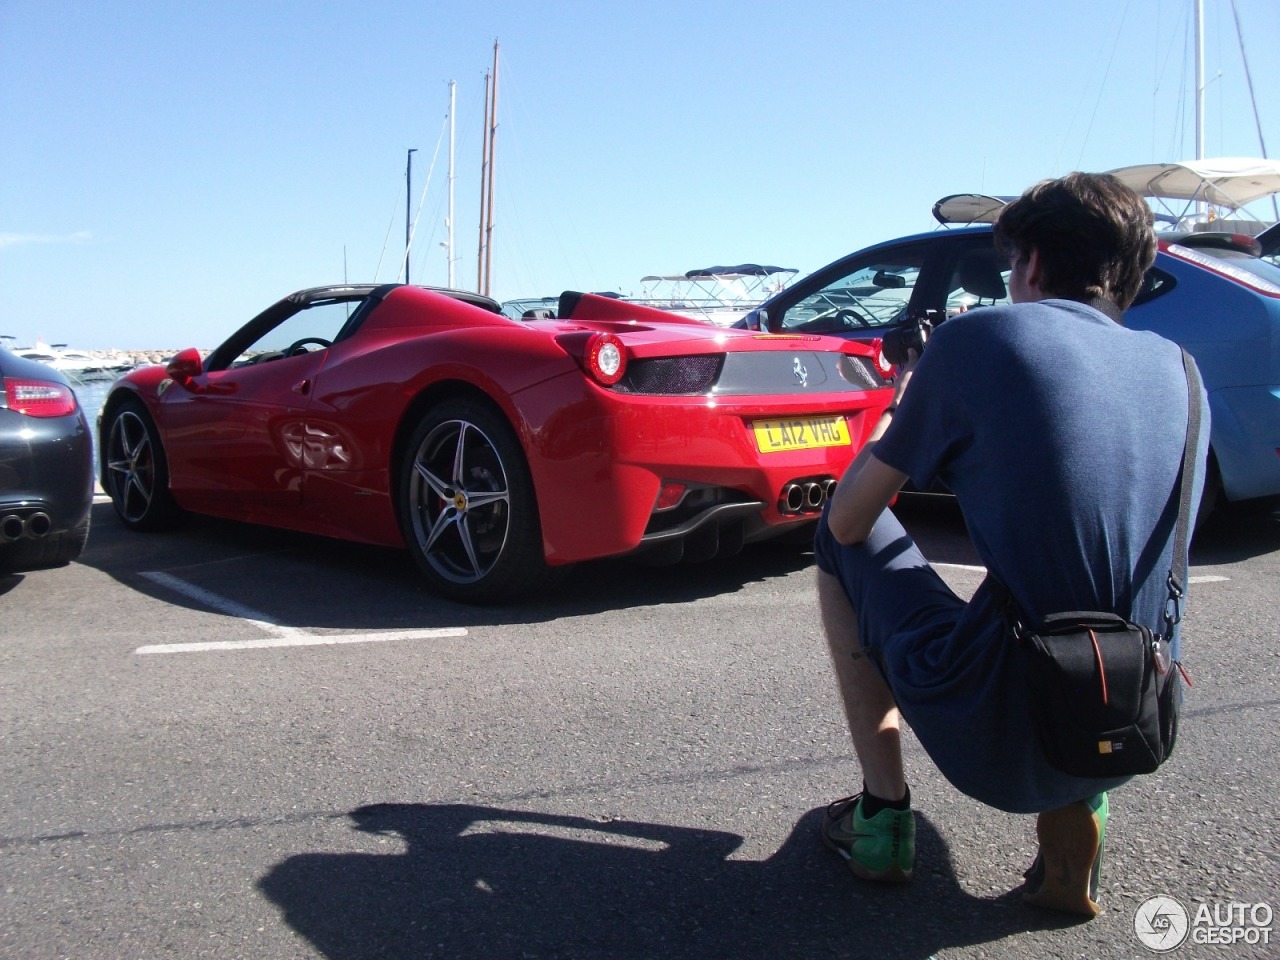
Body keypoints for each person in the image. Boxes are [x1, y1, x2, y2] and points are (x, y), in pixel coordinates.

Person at [813, 172, 1208, 917]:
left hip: (1003, 733)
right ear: (1129, 270)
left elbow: (851, 522)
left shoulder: (979, 340)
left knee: (834, 528)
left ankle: (881, 817)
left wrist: (906, 396)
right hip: (1133, 720)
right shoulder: (1182, 372)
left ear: (1028, 264)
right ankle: (1084, 807)